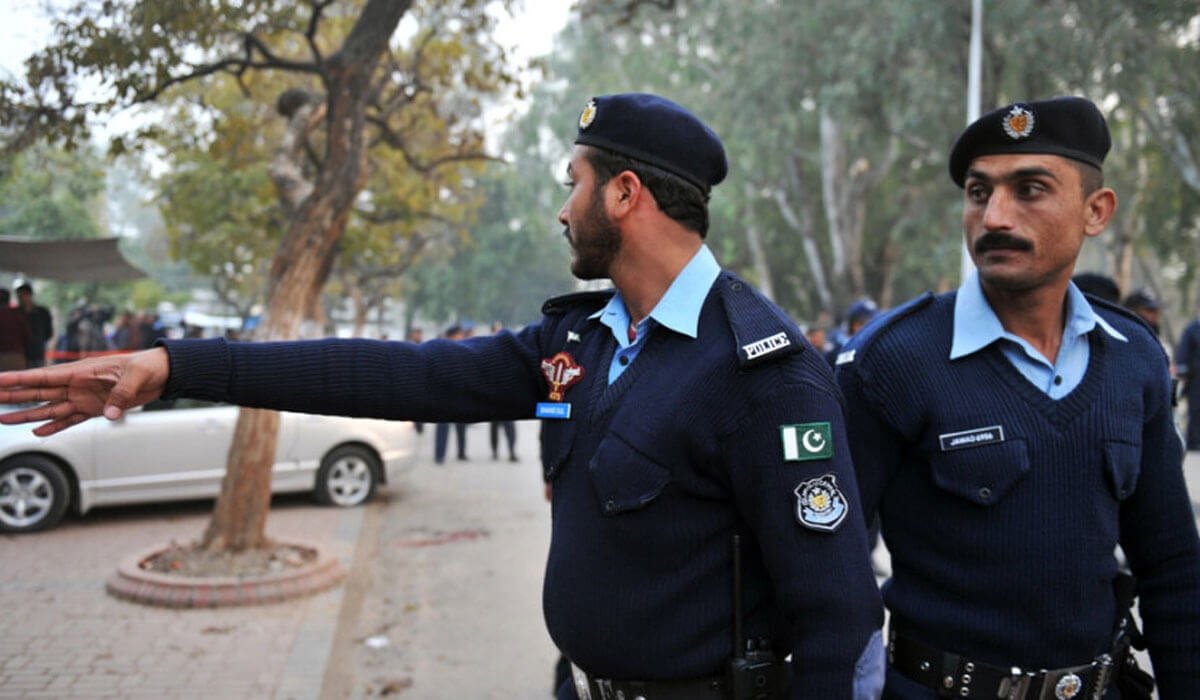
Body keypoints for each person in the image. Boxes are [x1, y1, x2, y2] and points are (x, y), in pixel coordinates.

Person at [0, 92, 884, 699]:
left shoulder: (763, 373)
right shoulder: (582, 338)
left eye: (572, 183)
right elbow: (396, 374)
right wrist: (175, 366)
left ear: (626, 192)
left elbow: (837, 621)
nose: (562, 209)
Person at [835, 96, 1200, 699]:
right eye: (979, 193)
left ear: (1095, 211)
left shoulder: (1133, 358)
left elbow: (1173, 570)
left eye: (1030, 189)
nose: (996, 217)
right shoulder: (894, 360)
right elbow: (833, 575)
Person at [433, 324, 471, 464]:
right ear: (452, 336)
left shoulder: (463, 349)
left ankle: (461, 452)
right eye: (459, 334)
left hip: (459, 393)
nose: (461, 336)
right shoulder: (441, 349)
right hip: (444, 394)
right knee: (443, 426)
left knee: (462, 425)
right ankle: (439, 455)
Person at [488, 321, 519, 462]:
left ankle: (512, 451)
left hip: (508, 396)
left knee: (510, 427)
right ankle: (494, 450)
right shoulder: (487, 348)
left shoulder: (509, 350)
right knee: (494, 427)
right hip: (494, 396)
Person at [15, 282, 53, 368]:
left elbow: (48, 332)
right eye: (19, 296)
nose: (20, 299)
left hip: (37, 351)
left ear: (29, 295)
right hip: (21, 353)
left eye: (22, 295)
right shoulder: (16, 313)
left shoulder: (42, 312)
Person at [1178, 309, 1200, 451]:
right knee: (1196, 408)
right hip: (1196, 378)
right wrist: (1183, 372)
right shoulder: (1192, 329)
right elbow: (1183, 352)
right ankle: (1194, 441)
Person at [0, 289, 32, 371]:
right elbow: (27, 335)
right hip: (16, 356)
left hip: (5, 354)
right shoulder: (17, 315)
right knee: (18, 382)